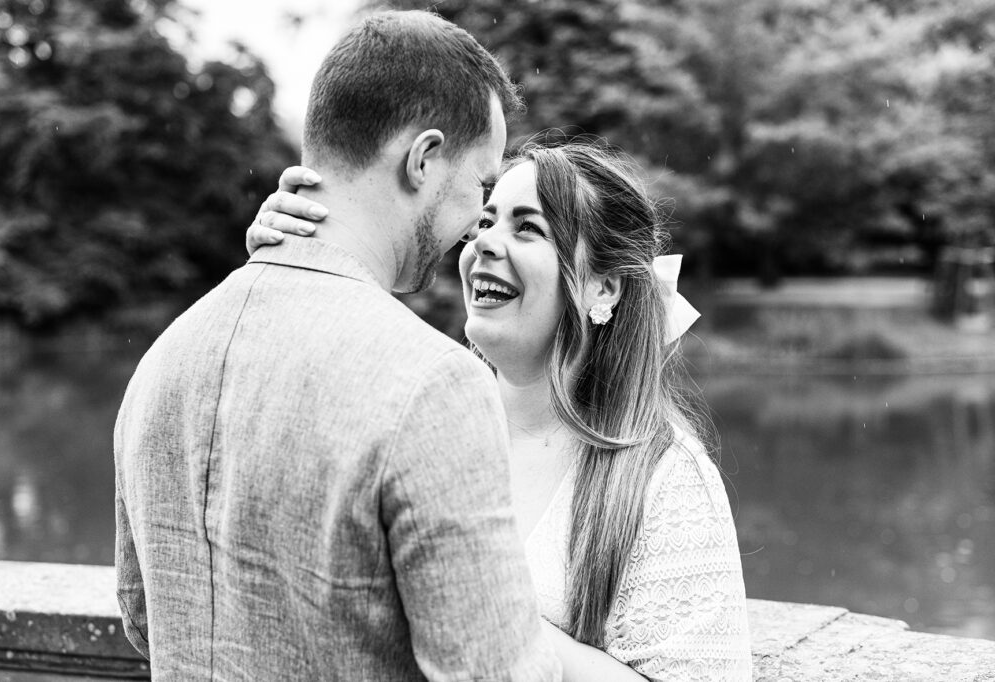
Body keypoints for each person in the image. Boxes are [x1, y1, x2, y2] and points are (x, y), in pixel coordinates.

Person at [114, 11, 561, 681]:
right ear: (423, 159)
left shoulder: (164, 359)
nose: (476, 226)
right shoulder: (433, 383)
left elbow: (142, 616)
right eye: (482, 186)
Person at [249, 140, 754, 680]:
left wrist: (490, 612)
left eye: (527, 227)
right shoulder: (415, 424)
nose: (484, 242)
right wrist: (287, 275)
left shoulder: (663, 476)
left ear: (603, 287)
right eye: (485, 222)